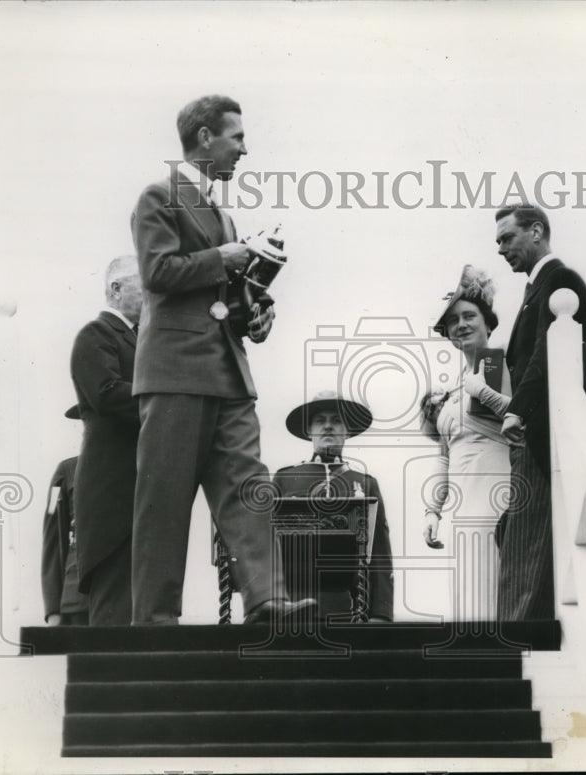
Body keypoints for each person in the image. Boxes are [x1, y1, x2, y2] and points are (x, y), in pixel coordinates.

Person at [130, 94, 311, 625]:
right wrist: (221, 257)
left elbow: (222, 300)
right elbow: (157, 273)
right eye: (238, 138)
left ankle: (267, 599)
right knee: (164, 502)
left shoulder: (223, 216)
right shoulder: (158, 197)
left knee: (249, 487)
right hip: (175, 374)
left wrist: (255, 312)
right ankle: (155, 621)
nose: (244, 150)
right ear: (205, 137)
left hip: (228, 375)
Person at [495, 204, 586, 622]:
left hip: (541, 436)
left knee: (526, 548)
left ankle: (513, 638)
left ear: (536, 232)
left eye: (507, 238)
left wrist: (517, 411)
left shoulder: (559, 280)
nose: (501, 249)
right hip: (537, 437)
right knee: (522, 542)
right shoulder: (538, 287)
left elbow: (544, 352)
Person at [418, 265, 511, 621]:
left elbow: (523, 422)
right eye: (453, 320)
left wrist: (483, 391)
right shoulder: (455, 385)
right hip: (462, 504)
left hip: (496, 496)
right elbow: (444, 454)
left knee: (489, 595)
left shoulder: (498, 364)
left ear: (488, 322)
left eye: (469, 315)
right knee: (467, 600)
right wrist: (432, 510)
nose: (462, 325)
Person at [272, 391, 393, 622]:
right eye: (320, 420)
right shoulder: (285, 479)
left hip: (348, 607)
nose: (328, 426)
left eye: (336, 421)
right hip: (292, 605)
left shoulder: (365, 483)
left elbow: (380, 552)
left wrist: (381, 614)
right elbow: (267, 543)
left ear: (347, 431)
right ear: (309, 431)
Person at [69, 256, 141, 626]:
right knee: (116, 610)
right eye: (146, 285)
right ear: (117, 289)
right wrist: (168, 397)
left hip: (134, 493)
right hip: (113, 495)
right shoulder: (96, 334)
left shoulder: (140, 339)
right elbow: (107, 394)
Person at [41, 454, 88, 626]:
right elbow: (52, 541)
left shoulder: (139, 463)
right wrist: (53, 609)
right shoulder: (66, 471)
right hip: (78, 602)